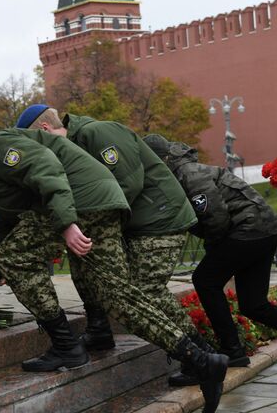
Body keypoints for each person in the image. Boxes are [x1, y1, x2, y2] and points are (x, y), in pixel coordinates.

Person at [0, 128, 228, 412]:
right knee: (116, 294)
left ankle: (65, 346)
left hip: (81, 203)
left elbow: (44, 164)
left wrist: (66, 223)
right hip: (99, 201)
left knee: (14, 257)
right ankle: (201, 359)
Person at [16, 105, 217, 387]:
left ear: (44, 131)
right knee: (84, 261)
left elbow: (128, 183)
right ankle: (99, 329)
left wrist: (90, 222)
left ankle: (203, 356)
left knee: (144, 291)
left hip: (159, 218)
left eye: (36, 144)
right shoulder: (70, 147)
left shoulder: (97, 132)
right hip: (137, 222)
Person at [144, 134, 277, 373]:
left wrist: (213, 248)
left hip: (249, 230)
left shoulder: (188, 173)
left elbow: (214, 216)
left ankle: (232, 350)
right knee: (253, 305)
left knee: (205, 279)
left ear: (159, 159)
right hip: (261, 230)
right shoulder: (181, 171)